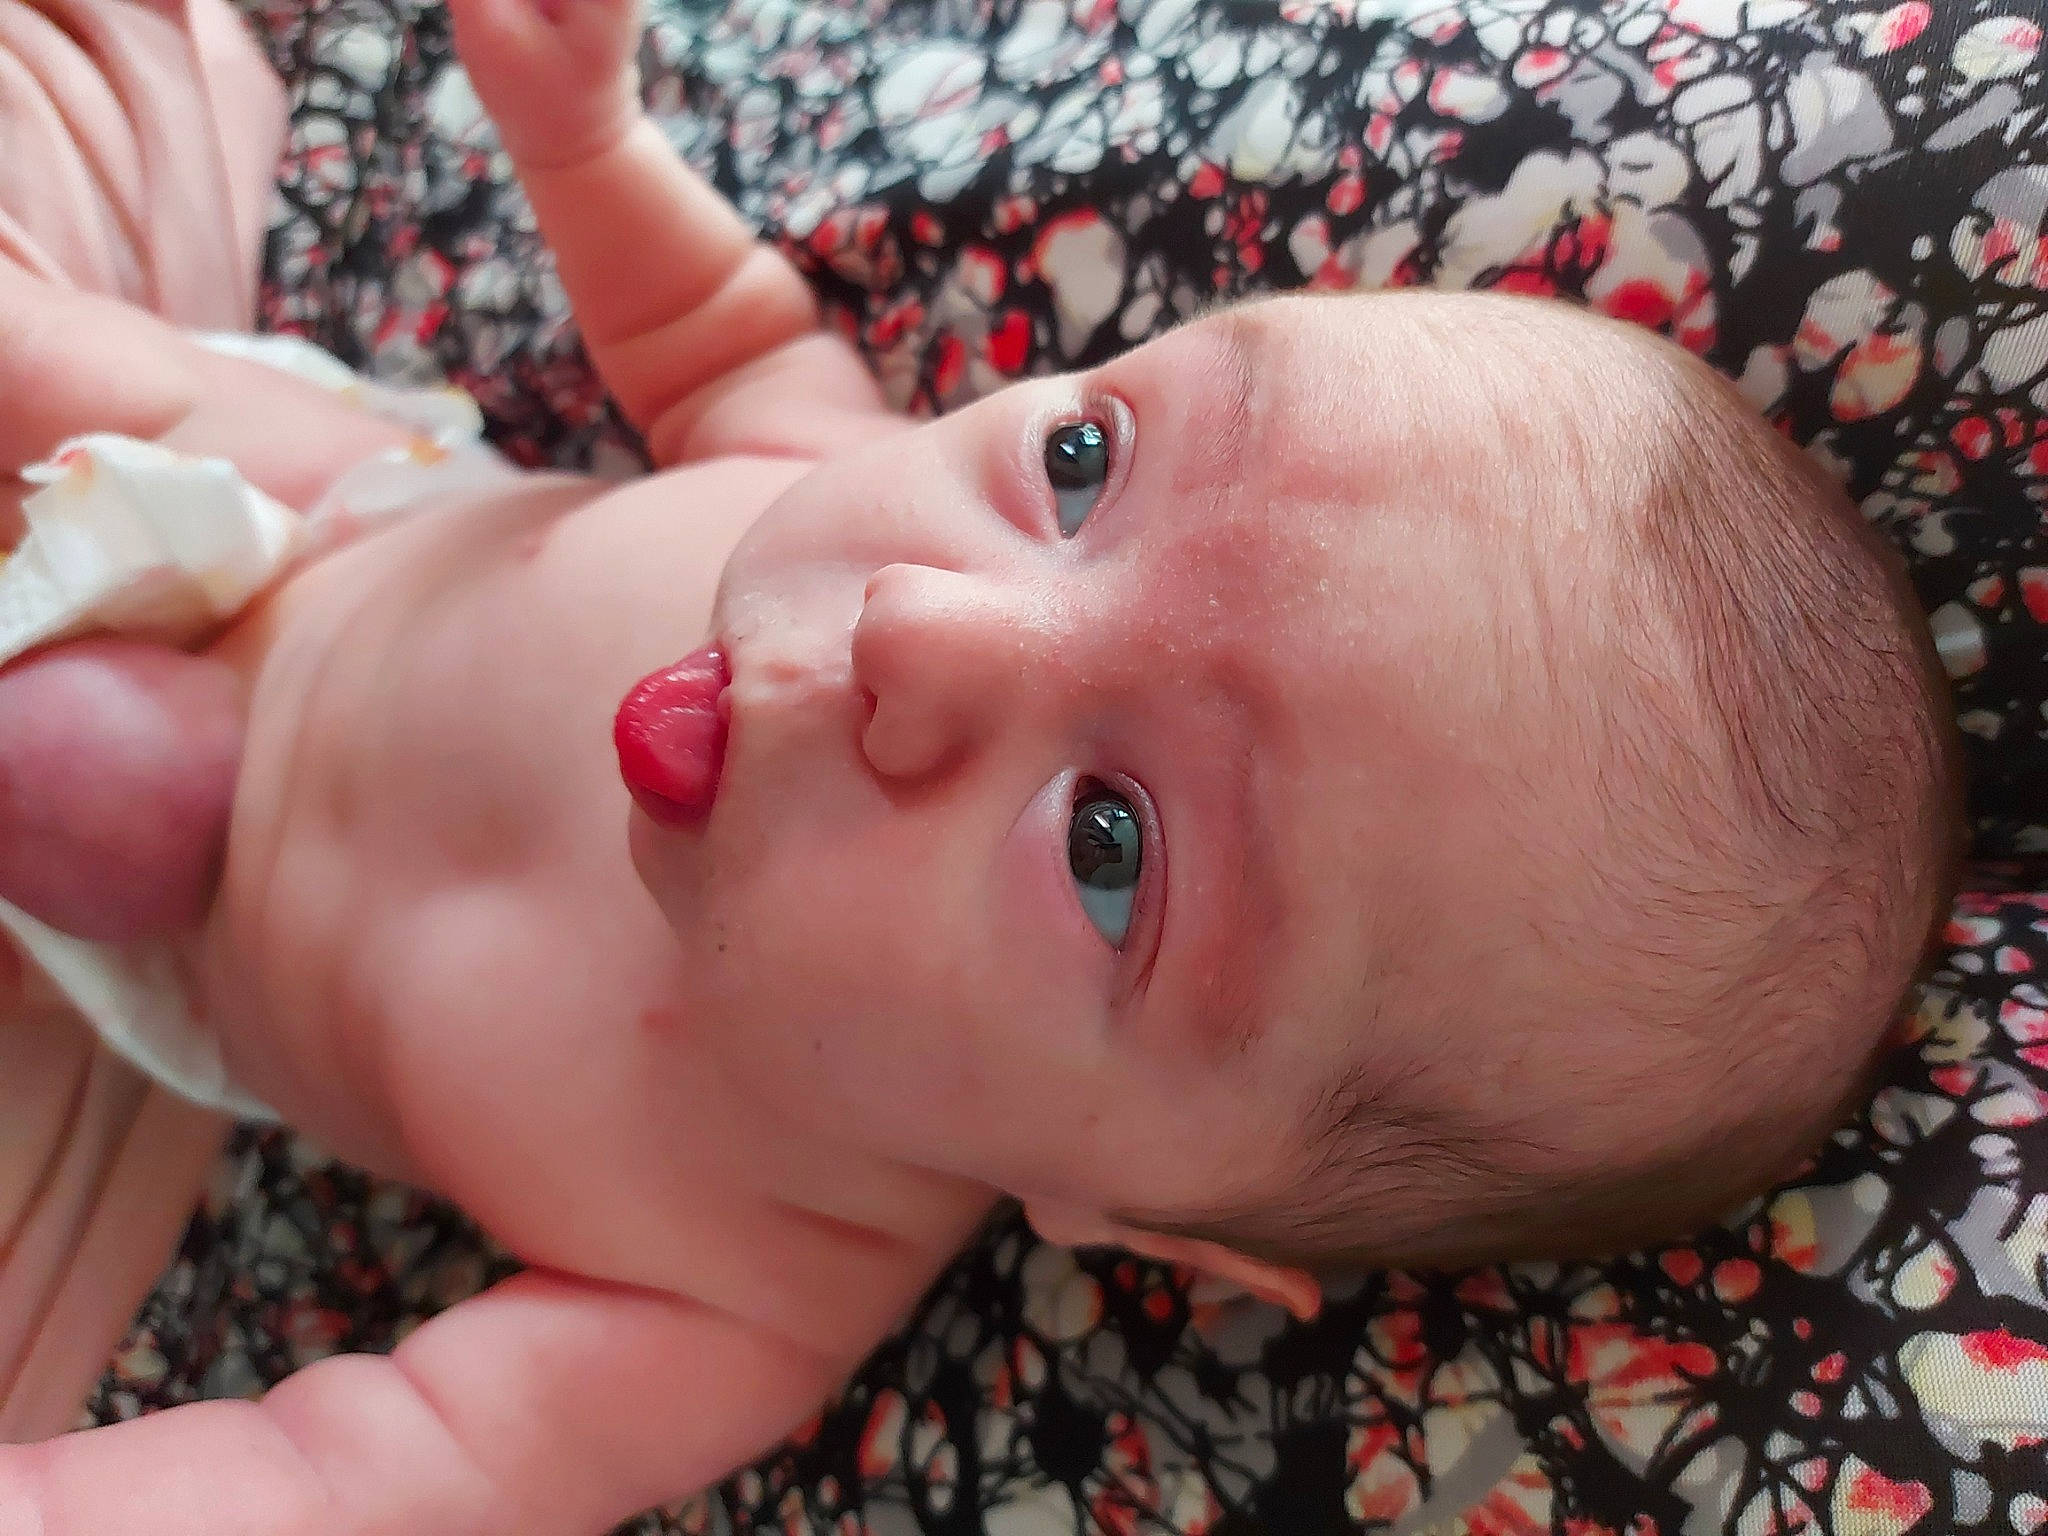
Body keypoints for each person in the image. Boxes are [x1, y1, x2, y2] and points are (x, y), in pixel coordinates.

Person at [0, 0, 1962, 1525]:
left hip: (129, 960)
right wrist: (577, 130)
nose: (920, 628)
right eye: (1084, 469)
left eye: (1111, 847)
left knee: (88, 783)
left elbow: (339, 1484)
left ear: (1144, 1223)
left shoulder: (736, 1279)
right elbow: (705, 337)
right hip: (296, 513)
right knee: (66, 360)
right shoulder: (823, 494)